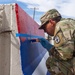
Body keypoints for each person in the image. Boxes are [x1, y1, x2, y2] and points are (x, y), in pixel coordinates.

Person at [38, 9, 75, 75]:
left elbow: (65, 55)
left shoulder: (61, 25)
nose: (44, 31)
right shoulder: (70, 22)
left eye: (44, 27)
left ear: (51, 22)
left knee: (51, 62)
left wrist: (50, 48)